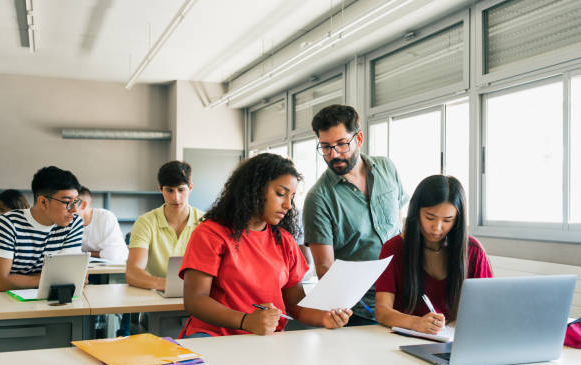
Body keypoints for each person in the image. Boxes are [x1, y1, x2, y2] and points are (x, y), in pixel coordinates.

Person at [180, 153, 352, 338]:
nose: (288, 205)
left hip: (265, 341)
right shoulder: (210, 234)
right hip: (213, 337)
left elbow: (296, 305)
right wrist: (246, 321)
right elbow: (195, 300)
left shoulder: (284, 240)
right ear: (254, 189)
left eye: (291, 197)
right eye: (280, 194)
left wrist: (325, 317)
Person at [303, 104, 408, 326]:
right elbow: (325, 269)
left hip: (403, 297)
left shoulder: (387, 168)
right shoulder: (318, 198)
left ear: (358, 138)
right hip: (360, 310)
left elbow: (399, 226)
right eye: (325, 147)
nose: (333, 154)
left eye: (341, 144)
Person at [374, 175, 493, 334]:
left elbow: (489, 308)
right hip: (404, 340)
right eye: (430, 217)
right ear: (416, 212)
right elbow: (382, 311)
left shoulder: (473, 250)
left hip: (456, 339)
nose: (437, 228)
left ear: (457, 220)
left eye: (447, 220)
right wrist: (415, 322)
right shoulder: (393, 248)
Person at [0, 166, 84, 291]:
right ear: (43, 202)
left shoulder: (73, 223)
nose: (74, 209)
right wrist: (54, 279)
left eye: (76, 202)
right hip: (6, 302)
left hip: (52, 299)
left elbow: (70, 277)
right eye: (67, 202)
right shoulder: (6, 224)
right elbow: (0, 282)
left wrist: (8, 281)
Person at [126, 161, 203, 291]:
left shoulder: (206, 222)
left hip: (197, 295)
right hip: (156, 298)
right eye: (169, 190)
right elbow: (133, 272)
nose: (176, 197)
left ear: (190, 188)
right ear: (160, 189)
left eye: (181, 190)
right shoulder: (145, 222)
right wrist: (166, 285)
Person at [77, 186, 128, 263]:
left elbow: (113, 254)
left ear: (84, 205)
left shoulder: (106, 217)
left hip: (115, 266)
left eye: (70, 204)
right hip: (86, 266)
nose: (66, 208)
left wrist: (83, 254)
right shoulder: (67, 221)